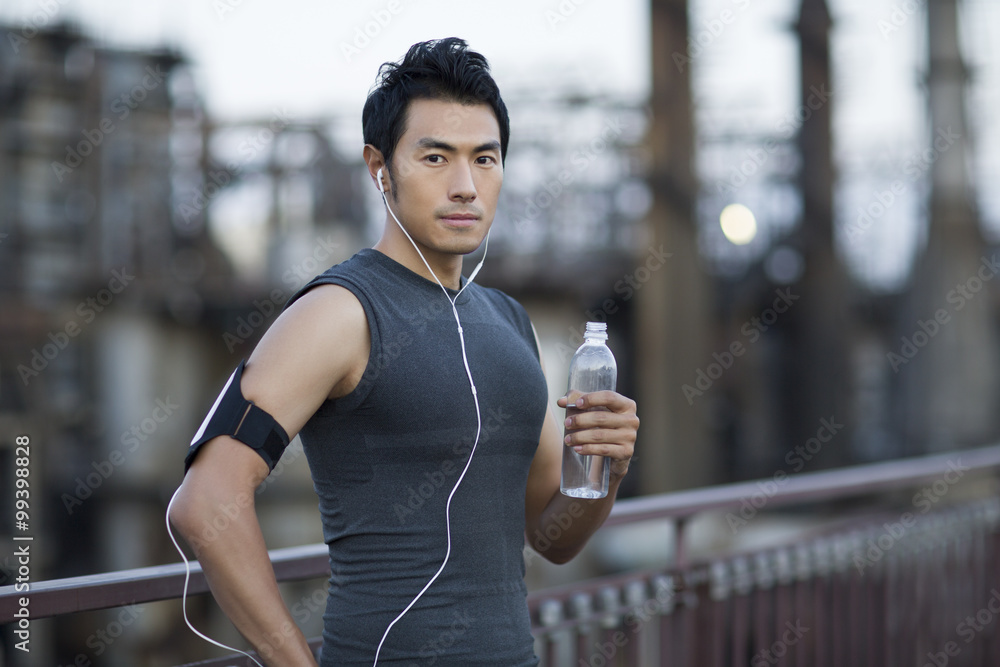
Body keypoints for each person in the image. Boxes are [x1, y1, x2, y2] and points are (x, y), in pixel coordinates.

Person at [168, 37, 639, 666]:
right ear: (379, 167)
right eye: (437, 157)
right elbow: (204, 503)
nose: (466, 186)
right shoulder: (340, 311)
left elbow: (552, 538)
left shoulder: (509, 321)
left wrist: (603, 469)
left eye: (486, 159)